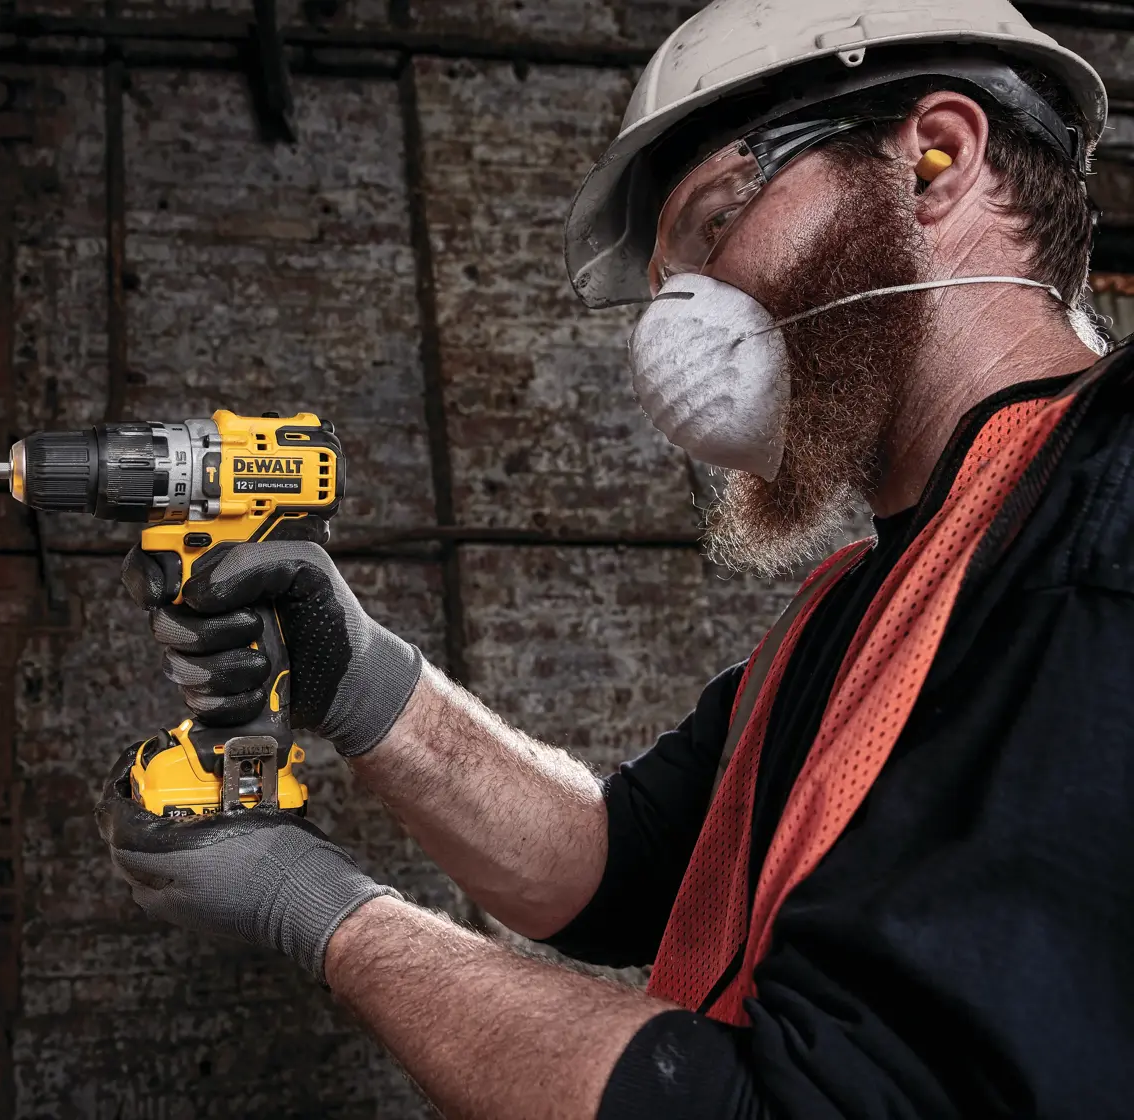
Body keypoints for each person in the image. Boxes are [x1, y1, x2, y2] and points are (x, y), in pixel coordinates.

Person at [96, 1, 1134, 1115]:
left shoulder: (1107, 501)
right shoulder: (861, 600)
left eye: (714, 224)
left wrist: (321, 909)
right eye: (664, 279)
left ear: (934, 157)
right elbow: (619, 868)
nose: (678, 323)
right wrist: (359, 680)